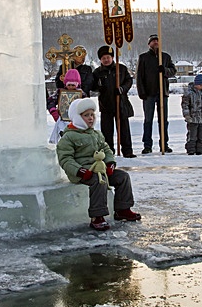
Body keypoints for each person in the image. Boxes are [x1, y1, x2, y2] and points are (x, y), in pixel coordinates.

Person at [56, 98, 141, 231]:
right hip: (83, 173)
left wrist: (110, 163)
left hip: (100, 169)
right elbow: (65, 159)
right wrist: (80, 170)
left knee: (122, 177)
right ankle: (97, 216)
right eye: (86, 115)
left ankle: (122, 209)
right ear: (77, 117)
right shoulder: (69, 137)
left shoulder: (96, 134)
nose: (90, 118)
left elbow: (106, 150)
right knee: (98, 181)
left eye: (92, 115)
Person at [91, 45, 135, 158]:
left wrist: (122, 89)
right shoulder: (97, 72)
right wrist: (99, 87)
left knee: (124, 129)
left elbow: (129, 81)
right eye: (103, 58)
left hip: (121, 103)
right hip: (106, 104)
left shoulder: (121, 68)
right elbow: (93, 86)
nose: (106, 60)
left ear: (112, 57)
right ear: (100, 60)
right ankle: (108, 151)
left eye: (108, 57)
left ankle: (127, 151)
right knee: (107, 131)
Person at [136, 33, 177, 154]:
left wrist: (164, 70)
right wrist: (141, 92)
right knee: (148, 120)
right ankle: (147, 145)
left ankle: (164, 144)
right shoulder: (143, 57)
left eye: (157, 41)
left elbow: (173, 71)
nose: (155, 42)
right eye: (153, 41)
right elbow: (139, 76)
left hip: (162, 93)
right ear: (149, 44)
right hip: (149, 94)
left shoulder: (165, 57)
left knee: (163, 120)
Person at [47, 68, 85, 144]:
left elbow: (86, 105)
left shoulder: (81, 94)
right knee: (64, 138)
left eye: (73, 85)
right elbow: (50, 101)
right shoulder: (60, 92)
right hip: (63, 120)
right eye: (69, 85)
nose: (70, 87)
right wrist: (54, 112)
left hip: (76, 121)